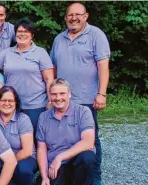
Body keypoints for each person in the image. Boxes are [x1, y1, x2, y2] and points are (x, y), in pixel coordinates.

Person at [50, 3, 110, 184]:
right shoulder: (59, 39)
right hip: (61, 99)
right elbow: (53, 68)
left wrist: (102, 93)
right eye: (70, 15)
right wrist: (51, 95)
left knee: (91, 139)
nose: (73, 18)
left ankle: (94, 177)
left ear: (86, 16)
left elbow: (103, 66)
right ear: (66, 17)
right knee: (62, 137)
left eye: (78, 14)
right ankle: (65, 171)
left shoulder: (96, 35)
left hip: (86, 98)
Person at [0, 19, 54, 135]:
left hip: (36, 105)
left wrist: (51, 100)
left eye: (26, 31)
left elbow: (49, 79)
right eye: (19, 31)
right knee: (14, 139)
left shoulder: (40, 52)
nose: (22, 34)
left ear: (32, 35)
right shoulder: (7, 52)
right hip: (12, 106)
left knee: (37, 139)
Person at [36, 79, 96, 185]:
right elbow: (41, 149)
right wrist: (44, 176)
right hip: (55, 167)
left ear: (69, 94)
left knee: (88, 157)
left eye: (62, 93)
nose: (58, 98)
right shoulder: (43, 117)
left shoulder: (83, 112)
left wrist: (60, 157)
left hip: (76, 162)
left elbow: (88, 142)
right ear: (50, 96)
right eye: (54, 94)